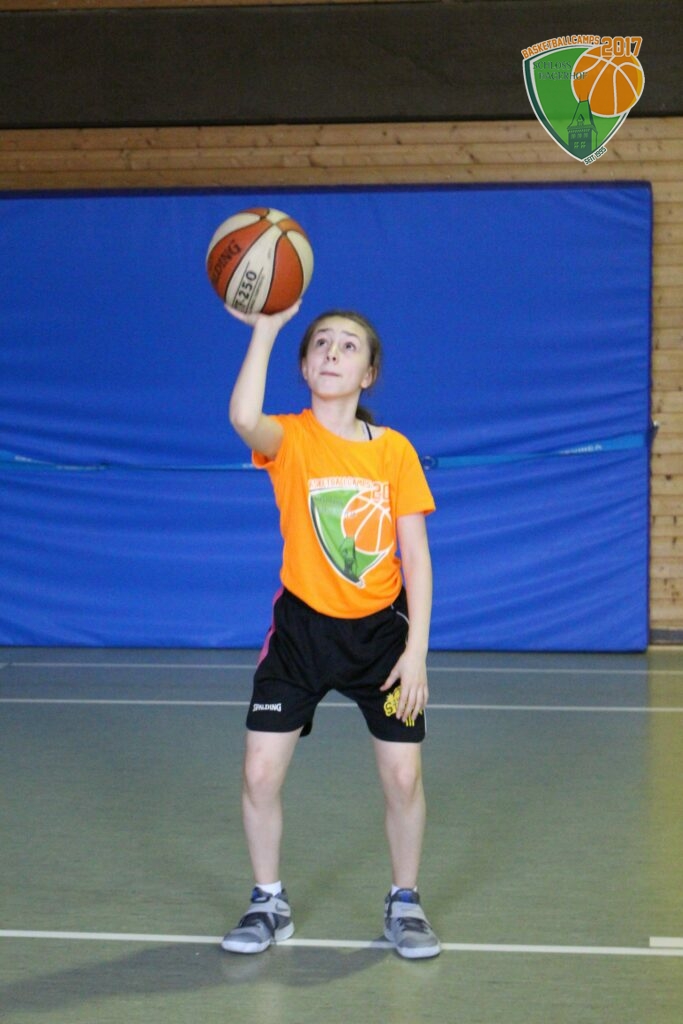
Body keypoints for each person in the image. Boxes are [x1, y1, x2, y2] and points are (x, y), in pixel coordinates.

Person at [220, 300, 440, 960]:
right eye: (320, 343)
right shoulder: (289, 440)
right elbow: (243, 417)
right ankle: (268, 901)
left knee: (403, 779)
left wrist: (417, 653)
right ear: (304, 366)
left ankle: (405, 901)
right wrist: (266, 330)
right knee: (259, 773)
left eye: (348, 345)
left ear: (368, 374)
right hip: (301, 634)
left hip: (381, 636)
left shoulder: (394, 450)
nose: (332, 352)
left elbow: (416, 557)